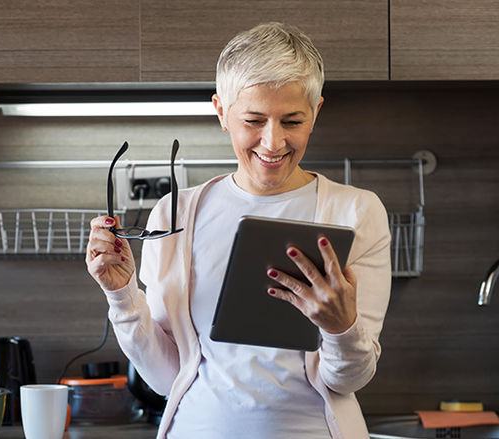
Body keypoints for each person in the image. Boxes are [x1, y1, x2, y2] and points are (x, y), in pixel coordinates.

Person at [86, 22, 391, 439]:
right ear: (221, 112)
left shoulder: (357, 211)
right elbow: (165, 377)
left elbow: (348, 379)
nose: (272, 141)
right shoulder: (175, 215)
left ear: (316, 112)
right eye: (254, 119)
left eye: (292, 121)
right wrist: (121, 295)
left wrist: (342, 328)